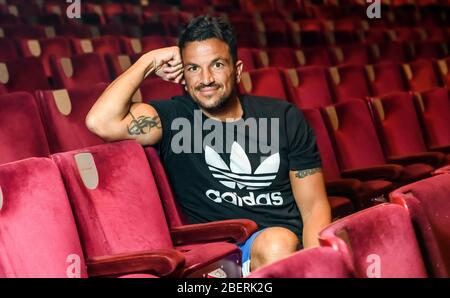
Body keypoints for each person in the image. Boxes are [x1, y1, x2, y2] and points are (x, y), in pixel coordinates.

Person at [86, 16, 331, 276]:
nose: (205, 79)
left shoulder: (283, 117)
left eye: (216, 65)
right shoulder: (173, 119)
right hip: (227, 258)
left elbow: (314, 206)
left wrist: (318, 265)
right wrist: (149, 60)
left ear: (236, 70)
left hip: (292, 246)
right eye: (193, 68)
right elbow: (100, 122)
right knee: (276, 243)